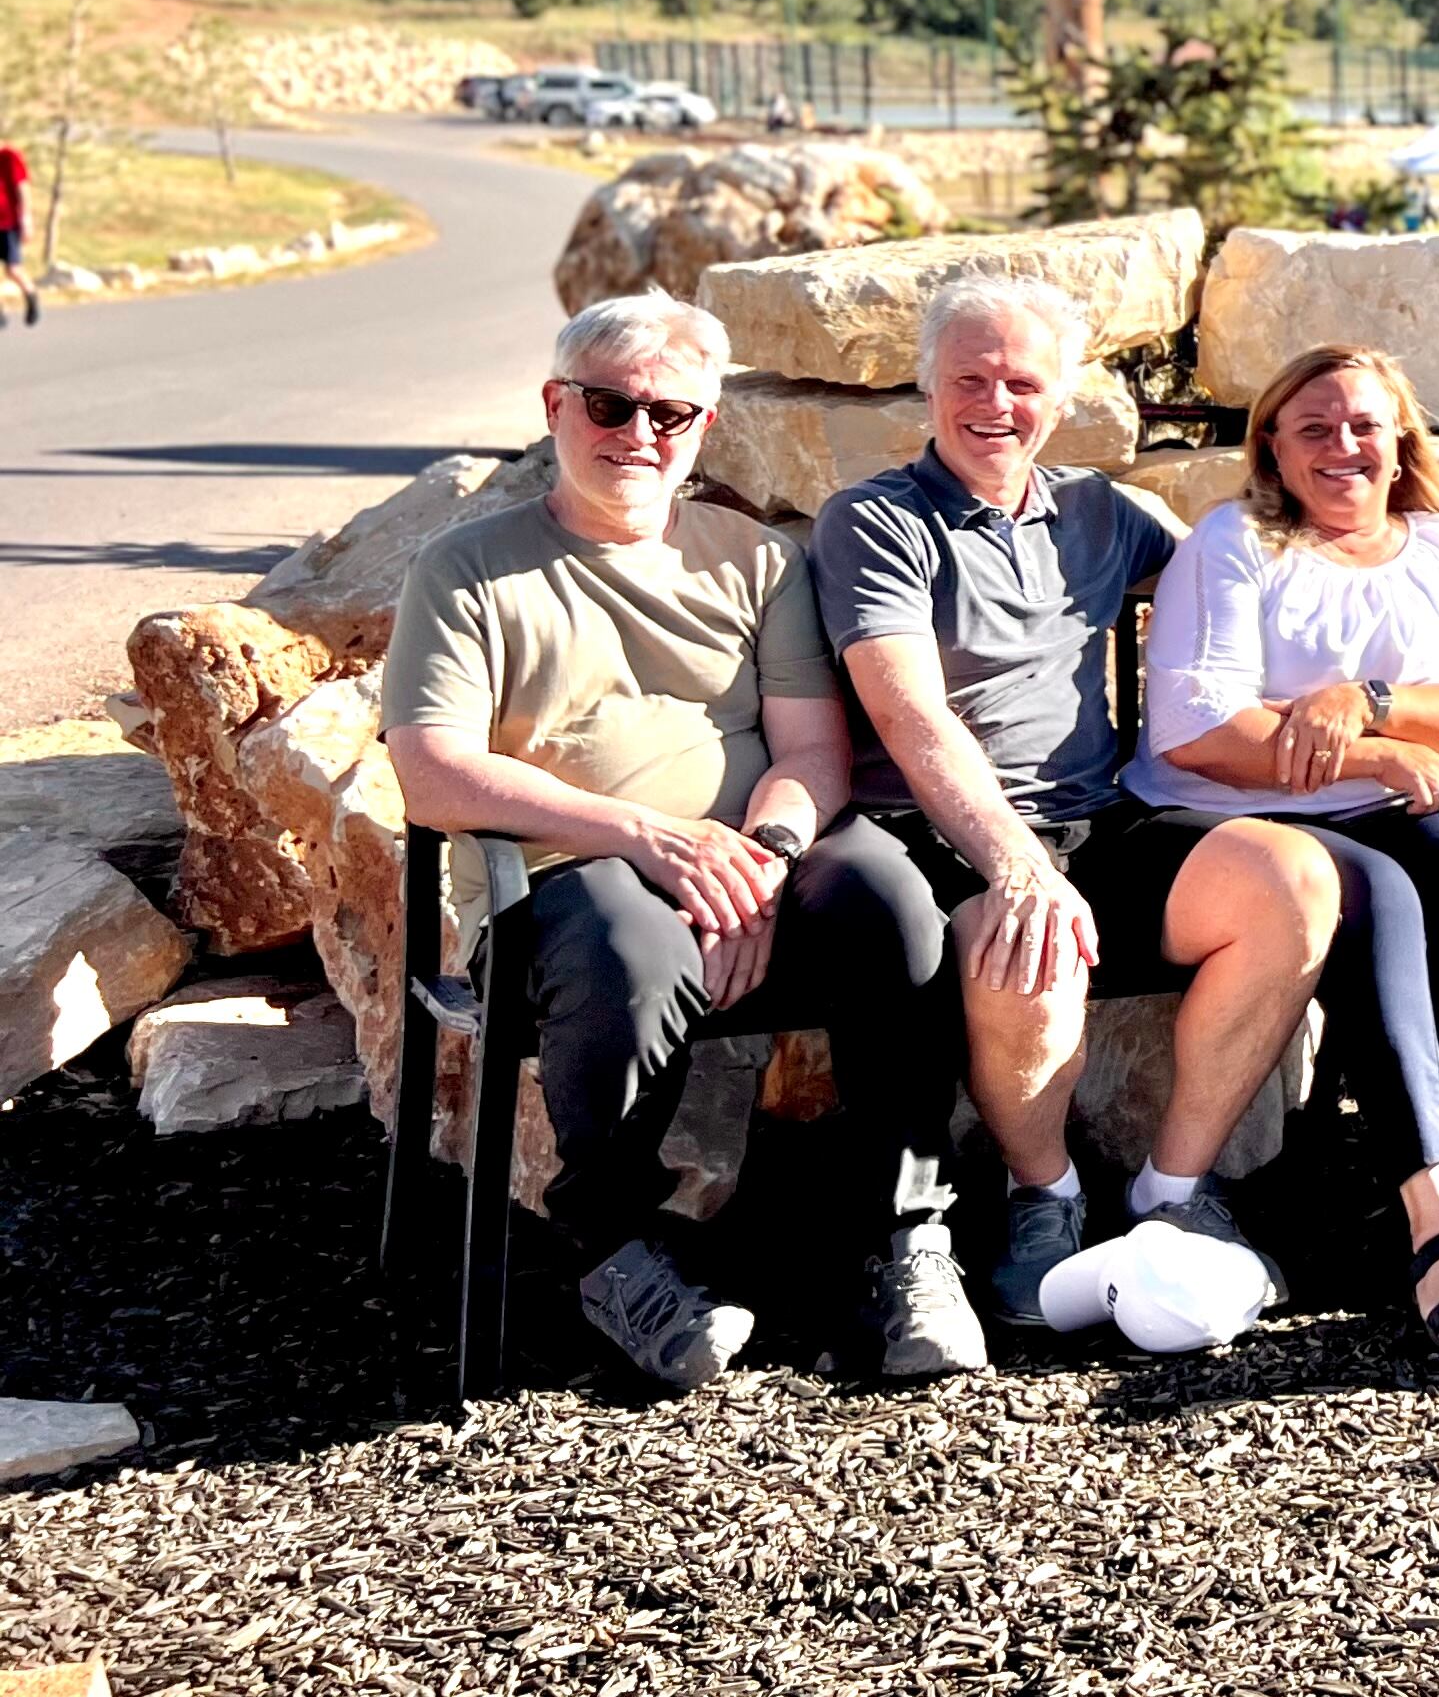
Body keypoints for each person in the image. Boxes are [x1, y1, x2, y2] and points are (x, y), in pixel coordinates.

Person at [378, 292, 978, 1392]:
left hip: (751, 867)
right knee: (629, 945)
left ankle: (905, 1237)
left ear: (704, 426)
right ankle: (612, 1246)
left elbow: (810, 753)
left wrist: (767, 862)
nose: (640, 435)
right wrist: (647, 838)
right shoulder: (465, 570)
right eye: (611, 404)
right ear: (557, 405)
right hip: (565, 885)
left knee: (894, 903)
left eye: (672, 414)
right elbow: (431, 771)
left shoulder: (754, 562)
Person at [811, 272, 1265, 1329]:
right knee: (1033, 937)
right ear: (927, 388)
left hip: (1097, 818)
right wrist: (1017, 863)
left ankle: (1175, 1195)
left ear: (1062, 399)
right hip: (943, 833)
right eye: (969, 377)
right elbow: (913, 720)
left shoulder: (1106, 515)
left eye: (1022, 382)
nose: (995, 404)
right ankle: (1045, 1200)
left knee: (1292, 883)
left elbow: (1243, 591)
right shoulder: (876, 523)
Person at [1131, 342, 1439, 1361]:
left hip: (1377, 803)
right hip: (1224, 821)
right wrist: (1381, 758)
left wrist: (1370, 702)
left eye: (1365, 425)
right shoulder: (1236, 542)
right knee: (1380, 892)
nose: (1344, 446)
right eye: (1314, 427)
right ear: (1271, 445)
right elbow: (1196, 730)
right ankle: (1433, 1215)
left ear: (1400, 437)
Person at [0, 133, 31, 326]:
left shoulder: (10, 156)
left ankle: (31, 295)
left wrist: (26, 217)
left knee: (13, 269)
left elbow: (23, 188)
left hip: (8, 223)